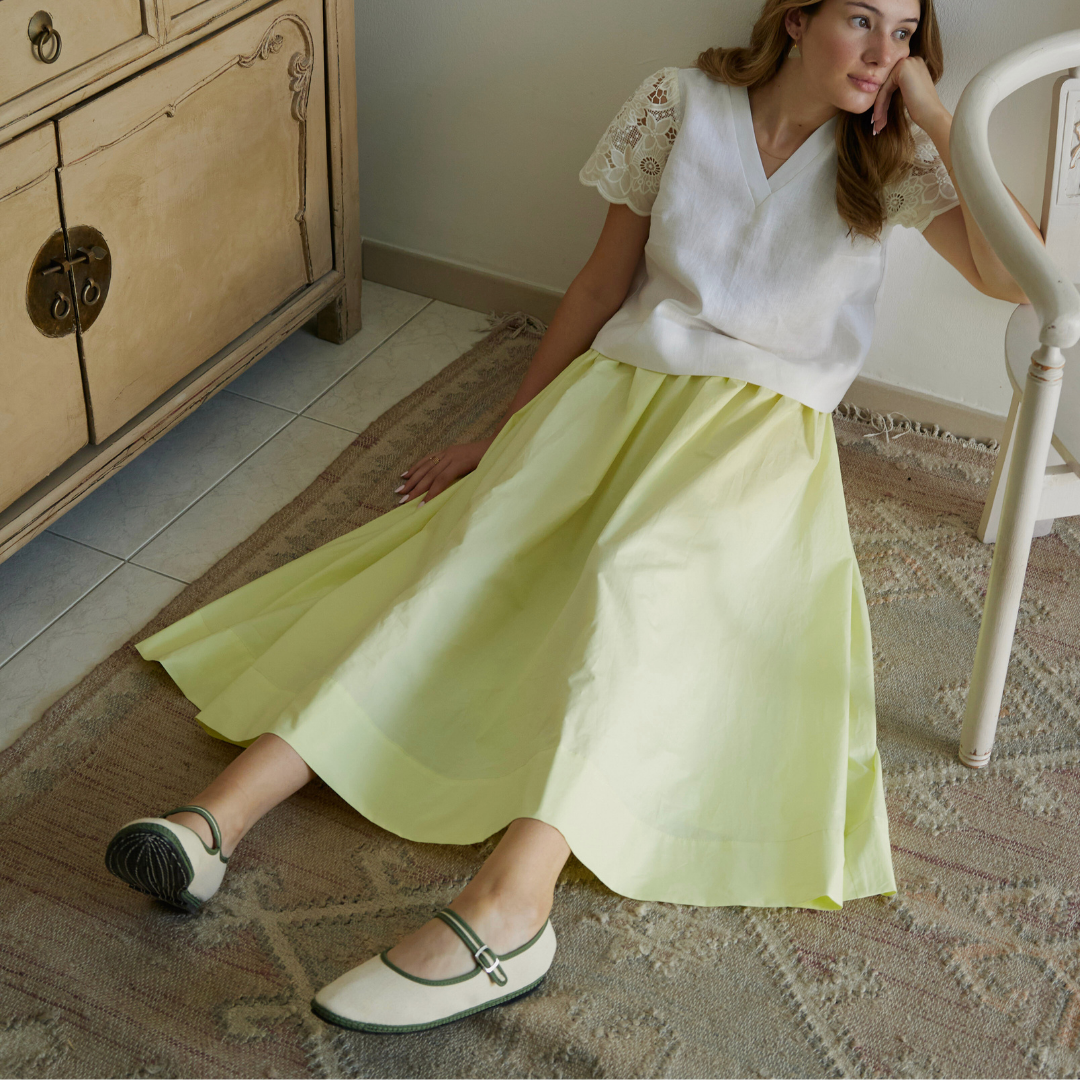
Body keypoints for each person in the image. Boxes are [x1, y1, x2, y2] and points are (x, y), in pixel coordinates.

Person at [104, 0, 1044, 1034]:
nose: (883, 53)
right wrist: (506, 435)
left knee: (633, 583)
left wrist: (934, 109)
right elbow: (602, 282)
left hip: (757, 438)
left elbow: (1017, 276)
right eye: (863, 21)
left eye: (906, 33)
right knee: (466, 560)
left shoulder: (894, 160)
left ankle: (513, 909)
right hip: (616, 394)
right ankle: (213, 822)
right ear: (795, 17)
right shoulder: (678, 103)